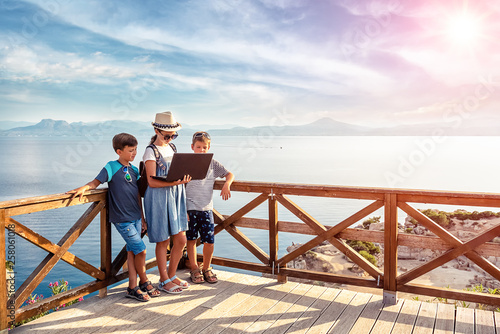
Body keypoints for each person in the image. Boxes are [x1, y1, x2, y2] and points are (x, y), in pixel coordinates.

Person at [67, 133, 160, 302]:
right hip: (122, 220)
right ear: (119, 151)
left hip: (136, 218)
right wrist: (83, 188)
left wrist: (143, 218)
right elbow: (95, 183)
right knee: (141, 250)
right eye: (131, 150)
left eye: (136, 150)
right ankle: (144, 280)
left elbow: (138, 195)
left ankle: (132, 286)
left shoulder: (134, 170)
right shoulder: (111, 167)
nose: (134, 153)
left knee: (132, 251)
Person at [143, 111, 191, 294]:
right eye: (167, 135)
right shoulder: (150, 151)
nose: (171, 138)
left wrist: (183, 180)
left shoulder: (173, 148)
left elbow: (175, 174)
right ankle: (163, 280)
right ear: (156, 130)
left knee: (181, 238)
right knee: (163, 240)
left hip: (176, 195)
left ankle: (171, 275)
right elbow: (152, 182)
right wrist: (175, 182)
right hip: (158, 197)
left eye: (174, 135)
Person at [185, 131, 234, 284]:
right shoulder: (186, 163)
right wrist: (182, 209)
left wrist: (227, 184)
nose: (201, 150)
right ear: (192, 147)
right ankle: (194, 268)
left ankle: (206, 268)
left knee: (209, 241)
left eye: (204, 147)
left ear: (209, 147)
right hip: (190, 208)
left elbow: (229, 174)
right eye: (198, 147)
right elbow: (179, 187)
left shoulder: (213, 163)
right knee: (191, 240)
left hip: (206, 208)